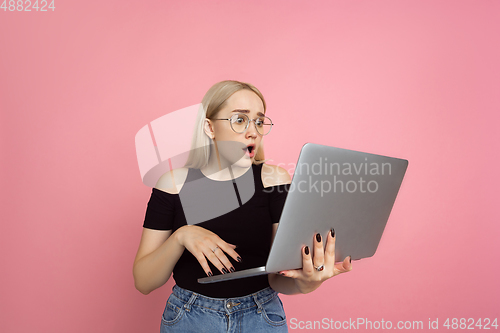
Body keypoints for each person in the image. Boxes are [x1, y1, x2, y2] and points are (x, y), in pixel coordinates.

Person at [133, 80, 353, 332]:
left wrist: (307, 283)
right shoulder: (173, 184)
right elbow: (144, 281)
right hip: (190, 317)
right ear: (209, 127)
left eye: (259, 122)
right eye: (240, 120)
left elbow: (277, 278)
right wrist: (182, 236)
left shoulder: (275, 180)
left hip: (261, 316)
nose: (253, 132)